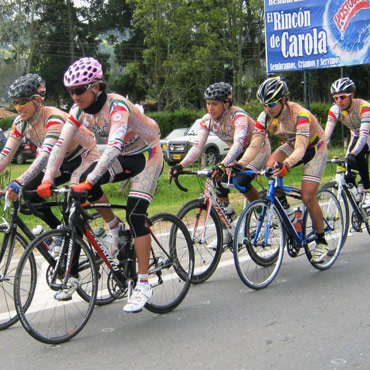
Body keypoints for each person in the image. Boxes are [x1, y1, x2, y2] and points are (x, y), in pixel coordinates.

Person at [37, 57, 163, 313]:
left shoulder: (117, 106)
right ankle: (113, 227)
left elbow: (115, 145)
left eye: (80, 90)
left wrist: (92, 179)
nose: (75, 96)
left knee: (136, 214)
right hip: (124, 157)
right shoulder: (78, 111)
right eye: (71, 91)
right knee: (84, 183)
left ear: (96, 87)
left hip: (147, 155)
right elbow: (60, 146)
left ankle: (144, 284)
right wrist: (48, 178)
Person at [3, 73, 99, 300]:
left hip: (83, 157)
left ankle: (72, 274)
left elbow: (44, 157)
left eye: (23, 101)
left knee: (70, 209)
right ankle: (59, 234)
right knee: (30, 194)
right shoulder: (20, 123)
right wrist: (22, 184)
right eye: (15, 102)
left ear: (37, 100)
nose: (18, 107)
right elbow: (6, 155)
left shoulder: (54, 118)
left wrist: (18, 180)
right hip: (60, 161)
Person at [237, 76, 328, 263]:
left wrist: (286, 165)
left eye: (271, 104)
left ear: (283, 100)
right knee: (271, 165)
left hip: (314, 148)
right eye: (264, 104)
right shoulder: (265, 117)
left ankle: (321, 240)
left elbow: (301, 148)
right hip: (292, 144)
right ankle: (287, 211)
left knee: (308, 196)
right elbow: (255, 145)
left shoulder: (300, 114)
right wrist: (241, 164)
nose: (267, 109)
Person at [169, 82, 270, 248]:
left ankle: (263, 216)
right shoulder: (207, 121)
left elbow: (238, 143)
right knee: (216, 179)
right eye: (208, 103)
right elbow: (197, 147)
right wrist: (180, 165)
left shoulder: (238, 116)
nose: (210, 108)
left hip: (258, 149)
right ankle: (226, 229)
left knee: (241, 181)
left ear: (226, 103)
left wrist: (223, 164)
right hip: (237, 153)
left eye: (214, 104)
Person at [325, 77, 370, 197]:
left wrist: (353, 153)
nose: (339, 101)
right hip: (356, 136)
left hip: (367, 135)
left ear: (352, 95)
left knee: (358, 155)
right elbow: (326, 136)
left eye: (343, 97)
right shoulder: (335, 110)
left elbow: (365, 135)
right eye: (336, 98)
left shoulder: (364, 107)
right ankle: (357, 197)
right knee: (349, 172)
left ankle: (367, 190)